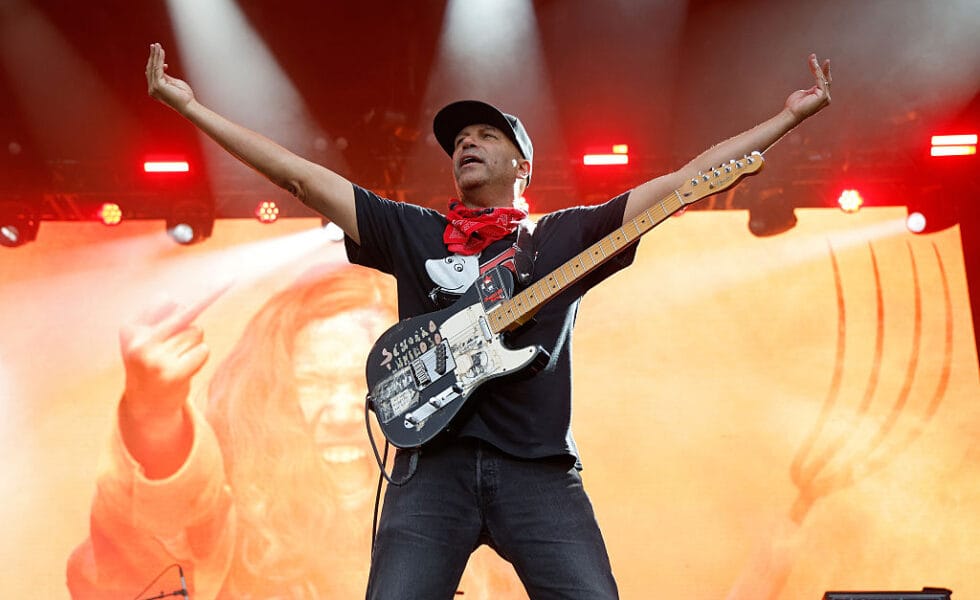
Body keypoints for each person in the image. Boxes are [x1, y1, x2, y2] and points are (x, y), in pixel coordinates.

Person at [94, 42, 830, 599]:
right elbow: (299, 176)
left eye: (484, 137)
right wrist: (188, 109)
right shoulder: (413, 233)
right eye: (457, 142)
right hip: (430, 475)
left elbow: (681, 183)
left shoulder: (566, 237)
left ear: (522, 164)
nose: (464, 146)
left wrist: (786, 121)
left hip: (537, 474)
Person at [67, 266, 522, 598]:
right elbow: (134, 556)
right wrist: (153, 414)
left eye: (373, 388)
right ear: (277, 394)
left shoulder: (478, 512)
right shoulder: (236, 525)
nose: (345, 412)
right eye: (316, 382)